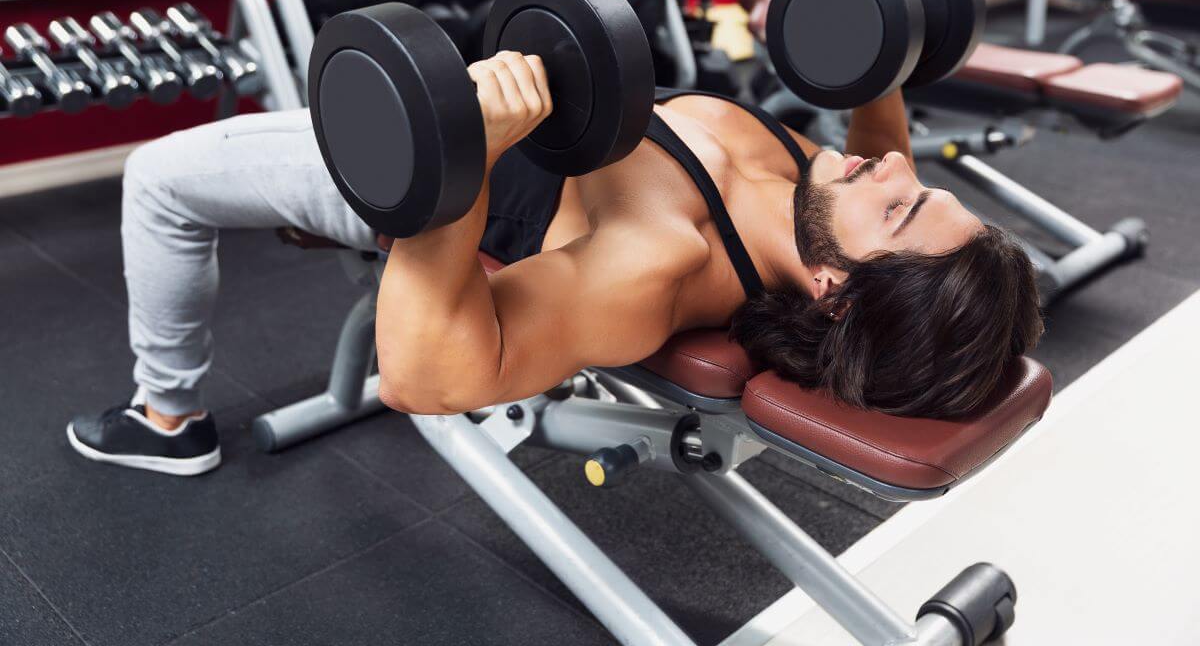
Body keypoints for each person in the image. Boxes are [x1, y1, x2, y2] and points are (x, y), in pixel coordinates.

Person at [68, 52, 1043, 476]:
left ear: (835, 290)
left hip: (447, 166)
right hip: (489, 107)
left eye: (905, 201)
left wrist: (464, 160)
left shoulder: (659, 259)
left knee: (157, 177)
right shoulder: (827, 199)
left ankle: (167, 418)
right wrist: (892, 51)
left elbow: (421, 374)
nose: (893, 163)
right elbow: (887, 144)